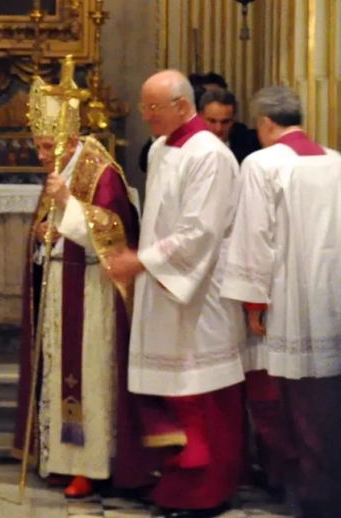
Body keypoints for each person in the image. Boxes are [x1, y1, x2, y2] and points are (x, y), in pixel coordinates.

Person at [107, 70, 245, 518]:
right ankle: (176, 486)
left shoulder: (211, 155)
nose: (145, 116)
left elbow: (199, 231)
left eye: (153, 108)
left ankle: (208, 492)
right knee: (171, 392)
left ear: (182, 106)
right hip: (164, 283)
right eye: (145, 106)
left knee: (201, 392)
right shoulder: (165, 148)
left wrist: (142, 261)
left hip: (198, 291)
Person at [13, 74, 148, 499]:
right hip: (60, 281)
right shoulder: (61, 168)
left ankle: (90, 464)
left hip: (90, 288)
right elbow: (48, 226)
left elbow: (114, 228)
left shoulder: (99, 170)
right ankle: (59, 458)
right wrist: (40, 234)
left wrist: (66, 204)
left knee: (88, 373)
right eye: (36, 145)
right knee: (60, 370)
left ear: (69, 140)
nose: (40, 155)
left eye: (46, 146)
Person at [222, 86, 341, 518]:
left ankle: (311, 494)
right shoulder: (335, 161)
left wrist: (252, 303)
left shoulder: (261, 164)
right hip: (332, 293)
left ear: (265, 123)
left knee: (297, 399)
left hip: (292, 298)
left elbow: (254, 237)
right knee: (327, 394)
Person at [199, 88, 260, 164]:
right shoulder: (189, 147)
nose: (218, 129)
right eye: (212, 121)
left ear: (233, 120)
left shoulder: (249, 147)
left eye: (225, 122)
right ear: (200, 117)